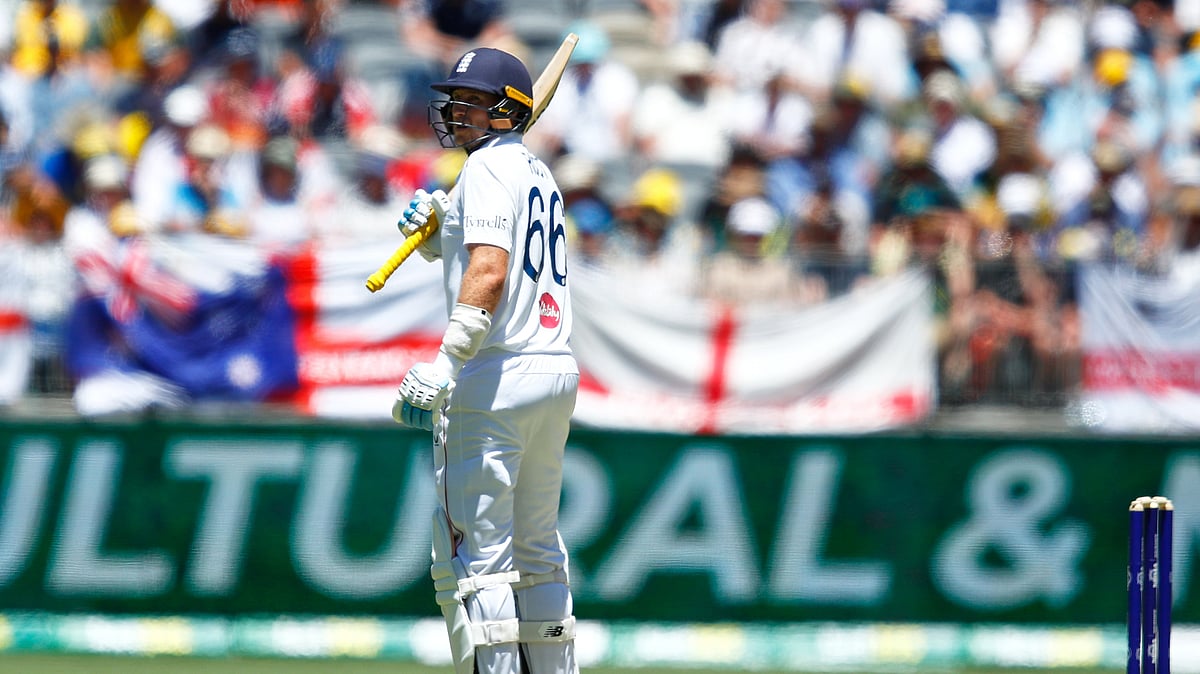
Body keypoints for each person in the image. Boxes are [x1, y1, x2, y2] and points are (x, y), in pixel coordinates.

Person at [391, 47, 580, 674]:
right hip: (552, 369)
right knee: (537, 549)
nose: (456, 111)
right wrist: (444, 226)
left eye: (471, 101)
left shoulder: (490, 168)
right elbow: (488, 256)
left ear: (506, 110)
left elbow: (491, 269)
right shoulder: (535, 172)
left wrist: (446, 361)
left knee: (475, 560)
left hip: (495, 372)